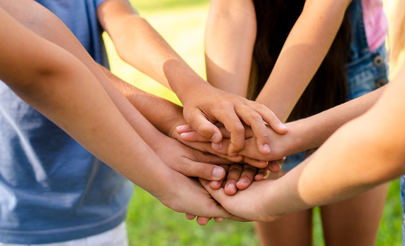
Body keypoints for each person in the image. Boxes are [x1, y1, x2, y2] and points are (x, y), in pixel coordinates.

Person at [0, 0, 254, 244]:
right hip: (21, 208)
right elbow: (48, 72)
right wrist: (166, 178)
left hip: (99, 196)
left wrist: (193, 90)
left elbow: (124, 22)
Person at [199, 0, 405, 245]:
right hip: (265, 79)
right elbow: (230, 7)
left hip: (352, 78)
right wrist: (233, 131)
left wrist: (255, 130)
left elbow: (325, 6)